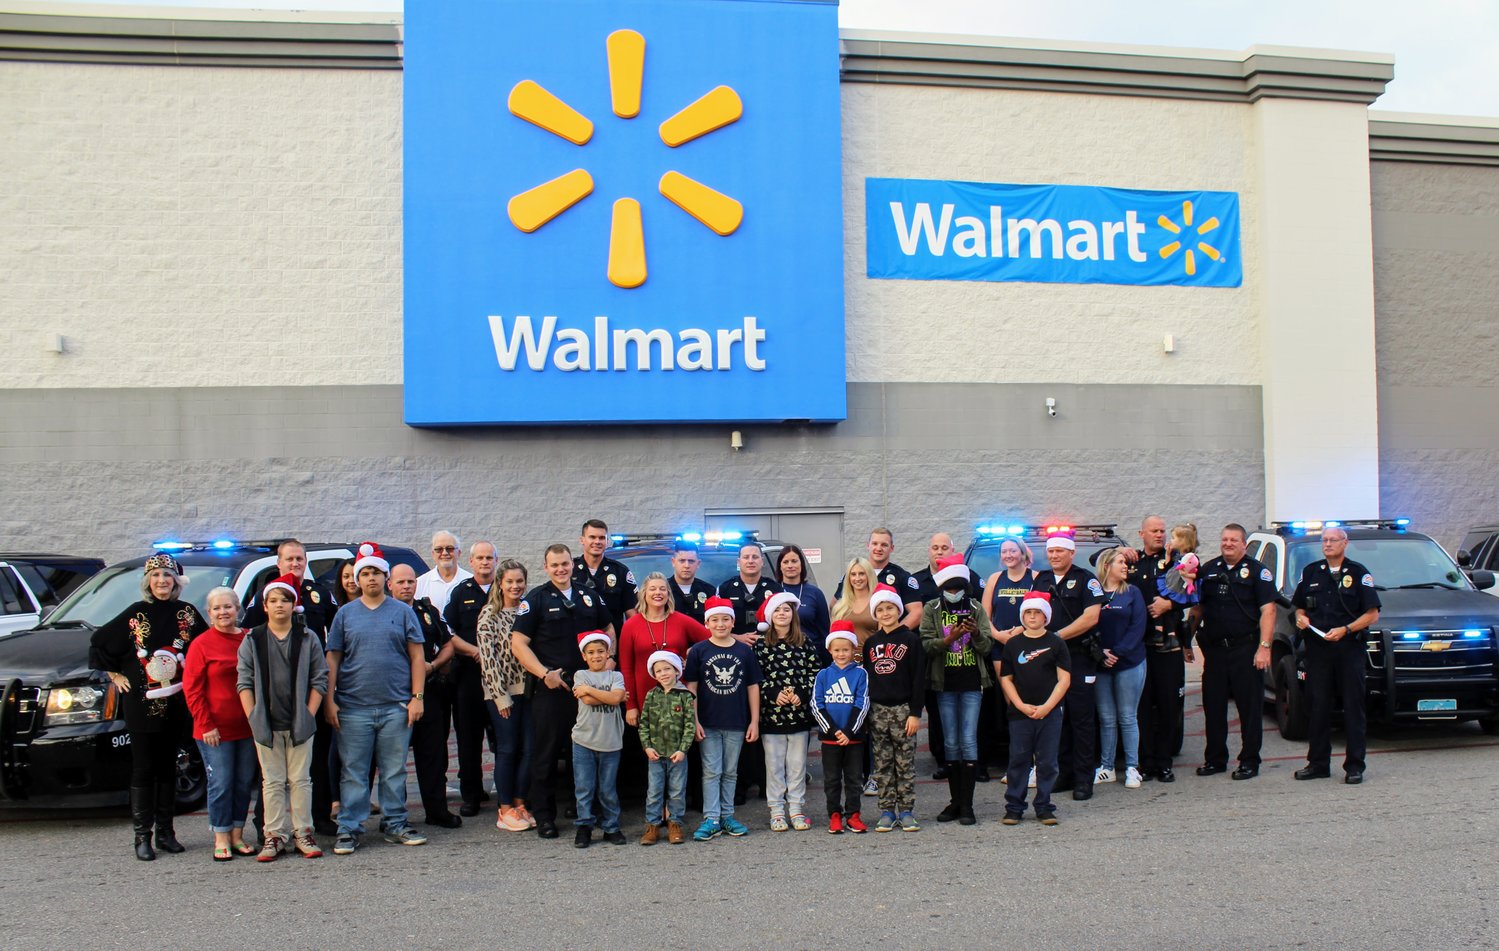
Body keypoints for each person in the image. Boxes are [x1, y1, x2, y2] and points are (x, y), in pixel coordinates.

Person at [90, 552, 209, 860]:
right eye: (156, 577)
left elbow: (206, 649)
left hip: (176, 705)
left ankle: (166, 833)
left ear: (176, 581)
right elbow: (100, 642)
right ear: (148, 582)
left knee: (169, 767)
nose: (162, 581)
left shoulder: (188, 614)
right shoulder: (135, 614)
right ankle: (142, 836)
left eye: (167, 576)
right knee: (144, 768)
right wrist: (114, 674)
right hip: (141, 706)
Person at [325, 542, 428, 855]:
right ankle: (350, 827)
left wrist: (417, 697)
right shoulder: (345, 615)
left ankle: (395, 823)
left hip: (396, 706)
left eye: (376, 573)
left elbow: (416, 656)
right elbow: (333, 660)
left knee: (394, 769)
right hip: (354, 708)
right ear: (358, 578)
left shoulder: (403, 612)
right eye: (365, 573)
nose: (371, 578)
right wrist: (329, 699)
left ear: (386, 577)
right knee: (354, 772)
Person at [510, 543, 615, 840]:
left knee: (584, 752)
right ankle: (545, 816)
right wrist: (544, 674)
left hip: (588, 687)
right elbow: (518, 643)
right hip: (552, 689)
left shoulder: (588, 594)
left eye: (565, 564)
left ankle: (582, 810)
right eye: (555, 565)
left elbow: (608, 628)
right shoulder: (537, 599)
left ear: (572, 564)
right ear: (546, 567)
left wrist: (609, 659)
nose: (561, 569)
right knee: (545, 754)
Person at [241, 538, 340, 835]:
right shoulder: (267, 596)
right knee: (270, 772)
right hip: (274, 694)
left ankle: (318, 818)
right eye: (289, 559)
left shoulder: (318, 594)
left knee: (317, 759)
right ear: (278, 563)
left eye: (300, 559)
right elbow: (250, 634)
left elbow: (334, 638)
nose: (295, 564)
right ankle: (266, 827)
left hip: (313, 689)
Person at [236, 575, 329, 861]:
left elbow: (319, 678)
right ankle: (274, 835)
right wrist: (253, 715)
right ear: (264, 606)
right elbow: (244, 681)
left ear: (294, 605)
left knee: (301, 780)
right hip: (266, 722)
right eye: (273, 601)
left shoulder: (307, 637)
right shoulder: (253, 638)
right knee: (272, 782)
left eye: (285, 600)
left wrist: (309, 713)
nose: (279, 606)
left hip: (300, 721)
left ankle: (303, 832)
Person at [1291, 526, 1380, 784]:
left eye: (1333, 540)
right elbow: (1299, 608)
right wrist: (1301, 619)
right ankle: (1318, 763)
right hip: (1318, 650)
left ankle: (1354, 766)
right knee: (1317, 706)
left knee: (1353, 706)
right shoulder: (1311, 572)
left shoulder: (1358, 573)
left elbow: (1372, 614)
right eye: (1324, 540)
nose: (1328, 544)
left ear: (1345, 543)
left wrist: (1346, 629)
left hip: (1348, 648)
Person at [1189, 524, 1277, 781]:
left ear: (1243, 544)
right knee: (1213, 706)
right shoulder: (1208, 570)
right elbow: (1198, 609)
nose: (1227, 543)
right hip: (1215, 651)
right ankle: (1215, 759)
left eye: (1234, 540)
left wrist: (1265, 647)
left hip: (1246, 649)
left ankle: (1249, 761)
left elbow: (1268, 611)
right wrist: (1186, 641)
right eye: (1224, 539)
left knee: (1249, 709)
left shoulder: (1258, 572)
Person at [1029, 531, 1105, 800]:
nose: (1054, 555)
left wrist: (1057, 637)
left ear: (1072, 553)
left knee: (1082, 719)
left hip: (1078, 657)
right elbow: (1032, 614)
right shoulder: (1042, 580)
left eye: (1060, 551)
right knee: (1056, 719)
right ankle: (1064, 774)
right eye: (1051, 551)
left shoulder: (1086, 579)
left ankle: (1084, 779)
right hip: (1050, 660)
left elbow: (1092, 616)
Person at [182, 586, 257, 861]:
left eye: (228, 606)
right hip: (214, 730)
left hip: (248, 727)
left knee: (242, 783)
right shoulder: (201, 644)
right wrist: (206, 724)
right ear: (209, 613)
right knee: (221, 782)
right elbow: (192, 690)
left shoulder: (250, 639)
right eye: (217, 608)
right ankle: (221, 835)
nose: (223, 612)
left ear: (238, 609)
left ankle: (238, 834)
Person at [1118, 516, 1193, 783]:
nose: (1159, 535)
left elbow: (1194, 592)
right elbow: (1100, 567)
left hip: (1167, 646)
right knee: (1141, 706)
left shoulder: (1177, 560)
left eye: (1163, 531)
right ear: (1142, 534)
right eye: (1154, 531)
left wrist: (1169, 605)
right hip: (1137, 647)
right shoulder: (1131, 561)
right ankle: (1144, 761)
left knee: (1168, 705)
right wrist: (1116, 551)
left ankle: (1163, 762)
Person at [920, 556, 995, 825]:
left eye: (958, 588)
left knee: (968, 739)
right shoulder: (932, 608)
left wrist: (974, 634)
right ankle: (955, 801)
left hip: (972, 682)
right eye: (949, 589)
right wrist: (950, 638)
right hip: (945, 683)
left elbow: (987, 648)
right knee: (951, 741)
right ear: (941, 589)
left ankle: (968, 805)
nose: (954, 593)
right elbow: (927, 645)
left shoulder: (975, 608)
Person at [683, 596, 762, 841]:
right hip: (708, 722)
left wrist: (754, 721)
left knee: (730, 771)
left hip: (737, 721)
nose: (720, 624)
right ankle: (711, 818)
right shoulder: (699, 651)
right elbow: (692, 688)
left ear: (733, 621)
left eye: (725, 619)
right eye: (715, 620)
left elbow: (752, 687)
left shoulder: (744, 651)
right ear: (707, 623)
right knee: (711, 771)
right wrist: (694, 720)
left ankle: (727, 815)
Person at [392, 562, 461, 829]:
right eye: (401, 582)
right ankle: (395, 816)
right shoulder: (384, 613)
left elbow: (447, 644)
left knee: (433, 754)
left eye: (410, 581)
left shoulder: (427, 610)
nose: (407, 586)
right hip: (396, 694)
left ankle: (436, 810)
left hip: (430, 691)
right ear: (391, 585)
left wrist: (433, 665)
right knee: (394, 759)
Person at [999, 592, 1071, 826]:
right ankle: (1014, 807)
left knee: (1047, 762)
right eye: (1028, 612)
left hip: (1049, 714)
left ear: (1045, 616)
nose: (1032, 616)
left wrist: (1048, 707)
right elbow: (1007, 679)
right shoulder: (1013, 644)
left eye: (1037, 612)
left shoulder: (1056, 642)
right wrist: (1019, 705)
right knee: (1018, 759)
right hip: (1020, 714)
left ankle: (1044, 805)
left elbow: (1064, 679)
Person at [752, 591, 819, 832]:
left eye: (787, 609)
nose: (782, 614)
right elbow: (756, 677)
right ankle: (777, 810)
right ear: (770, 615)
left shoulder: (805, 641)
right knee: (774, 764)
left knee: (797, 764)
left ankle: (796, 808)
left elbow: (815, 673)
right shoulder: (761, 645)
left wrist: (802, 693)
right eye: (778, 610)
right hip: (772, 717)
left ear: (793, 614)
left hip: (798, 716)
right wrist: (772, 693)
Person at [477, 558, 535, 831]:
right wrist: (500, 696)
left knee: (528, 749)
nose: (515, 586)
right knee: (508, 749)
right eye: (510, 581)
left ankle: (520, 803)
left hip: (530, 692)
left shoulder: (527, 611)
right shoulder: (490, 614)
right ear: (500, 583)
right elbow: (488, 659)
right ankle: (504, 808)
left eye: (519, 581)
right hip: (502, 694)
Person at [863, 583, 926, 832]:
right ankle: (887, 810)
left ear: (898, 610)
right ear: (875, 613)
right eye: (880, 609)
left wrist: (915, 713)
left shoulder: (911, 640)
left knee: (905, 763)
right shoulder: (871, 644)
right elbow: (867, 679)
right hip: (877, 710)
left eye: (890, 608)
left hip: (903, 709)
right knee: (882, 763)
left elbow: (919, 679)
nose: (886, 613)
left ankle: (907, 810)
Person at [442, 541, 499, 817]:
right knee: (468, 737)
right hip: (469, 674)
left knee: (502, 736)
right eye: (480, 558)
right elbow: (448, 630)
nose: (485, 562)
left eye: (489, 557)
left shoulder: (506, 589)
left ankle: (508, 793)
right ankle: (472, 794)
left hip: (501, 675)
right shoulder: (461, 591)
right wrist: (474, 651)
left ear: (496, 561)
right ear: (472, 562)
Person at [619, 573, 710, 732]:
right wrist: (630, 705)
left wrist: (692, 654)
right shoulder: (631, 625)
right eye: (652, 589)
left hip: (678, 698)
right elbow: (626, 669)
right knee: (652, 752)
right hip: (645, 699)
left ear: (668, 594)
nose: (658, 593)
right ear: (644, 594)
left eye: (662, 589)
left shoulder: (681, 620)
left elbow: (711, 640)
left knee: (679, 749)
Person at [1093, 548, 1148, 789]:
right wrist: (1100, 653)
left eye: (1125, 562)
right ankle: (1107, 767)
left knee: (1127, 716)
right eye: (1120, 562)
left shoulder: (1132, 593)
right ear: (1107, 566)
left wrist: (1117, 652)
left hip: (1129, 663)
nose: (1125, 566)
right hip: (1100, 664)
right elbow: (1087, 623)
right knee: (1106, 718)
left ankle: (1132, 768)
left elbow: (1137, 627)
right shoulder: (1094, 593)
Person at [812, 621, 870, 834]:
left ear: (853, 649)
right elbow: (817, 705)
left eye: (846, 649)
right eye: (837, 650)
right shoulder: (823, 675)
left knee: (854, 779)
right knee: (832, 779)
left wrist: (848, 731)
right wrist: (834, 730)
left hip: (853, 737)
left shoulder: (861, 674)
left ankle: (853, 815)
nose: (841, 654)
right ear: (829, 650)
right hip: (830, 738)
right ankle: (834, 814)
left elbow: (861, 704)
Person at [571, 631, 628, 848]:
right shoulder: (580, 675)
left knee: (607, 788)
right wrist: (612, 697)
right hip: (583, 741)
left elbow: (614, 698)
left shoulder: (616, 676)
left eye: (601, 652)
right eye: (591, 652)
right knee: (584, 787)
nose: (596, 656)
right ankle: (584, 827)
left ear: (608, 653)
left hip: (611, 741)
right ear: (584, 656)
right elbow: (587, 700)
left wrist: (598, 693)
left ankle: (611, 827)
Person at [638, 650, 695, 845]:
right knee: (654, 791)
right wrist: (647, 747)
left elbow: (690, 725)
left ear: (676, 670)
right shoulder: (651, 695)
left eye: (667, 669)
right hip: (655, 754)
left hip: (677, 755)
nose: (663, 673)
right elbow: (643, 723)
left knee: (677, 791)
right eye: (659, 670)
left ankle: (675, 823)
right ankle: (652, 826)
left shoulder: (685, 695)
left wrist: (683, 749)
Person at [837, 529, 924, 630]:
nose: (878, 548)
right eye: (874, 544)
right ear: (868, 545)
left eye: (884, 545)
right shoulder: (853, 575)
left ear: (892, 548)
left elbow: (917, 613)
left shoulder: (902, 576)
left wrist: (893, 634)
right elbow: (836, 605)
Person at [573, 519, 638, 632]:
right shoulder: (571, 570)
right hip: (577, 642)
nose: (597, 541)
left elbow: (632, 614)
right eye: (592, 537)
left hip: (612, 642)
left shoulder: (620, 572)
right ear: (582, 540)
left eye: (602, 538)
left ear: (607, 541)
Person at [718, 542, 782, 640]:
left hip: (769, 646)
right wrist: (738, 638)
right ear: (739, 562)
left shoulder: (775, 589)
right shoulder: (725, 589)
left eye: (755, 557)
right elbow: (715, 626)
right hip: (734, 646)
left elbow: (784, 623)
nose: (750, 561)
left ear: (762, 561)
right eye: (746, 557)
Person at [775, 544, 830, 656]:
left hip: (811, 656)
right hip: (780, 657)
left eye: (794, 561)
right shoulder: (773, 592)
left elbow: (824, 631)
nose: (790, 565)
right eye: (785, 562)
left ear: (802, 564)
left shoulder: (815, 593)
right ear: (780, 566)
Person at [415, 531, 472, 618]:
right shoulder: (420, 583)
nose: (445, 553)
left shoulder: (471, 581)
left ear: (459, 553)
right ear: (433, 554)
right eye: (439, 549)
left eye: (450, 548)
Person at [830, 557, 878, 647]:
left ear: (869, 575)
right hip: (845, 659)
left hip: (872, 658)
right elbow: (833, 639)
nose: (857, 578)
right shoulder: (840, 606)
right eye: (853, 574)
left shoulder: (878, 602)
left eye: (862, 574)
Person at [667, 540, 717, 624]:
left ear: (698, 563)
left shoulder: (709, 591)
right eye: (682, 561)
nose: (686, 566)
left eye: (691, 561)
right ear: (673, 562)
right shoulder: (662, 590)